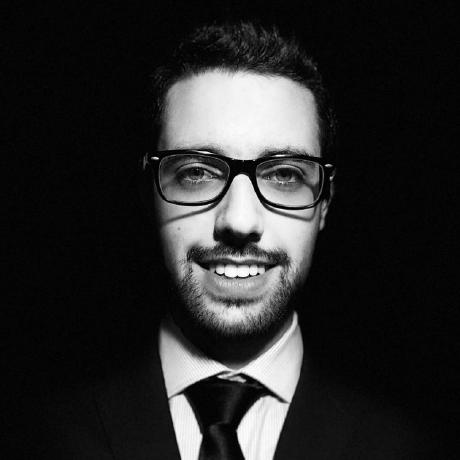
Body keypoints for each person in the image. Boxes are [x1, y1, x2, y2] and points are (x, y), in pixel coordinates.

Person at [32, 21, 430, 460]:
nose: (239, 221)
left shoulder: (406, 445)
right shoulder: (39, 433)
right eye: (196, 172)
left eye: (285, 175)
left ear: (325, 203)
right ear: (149, 193)